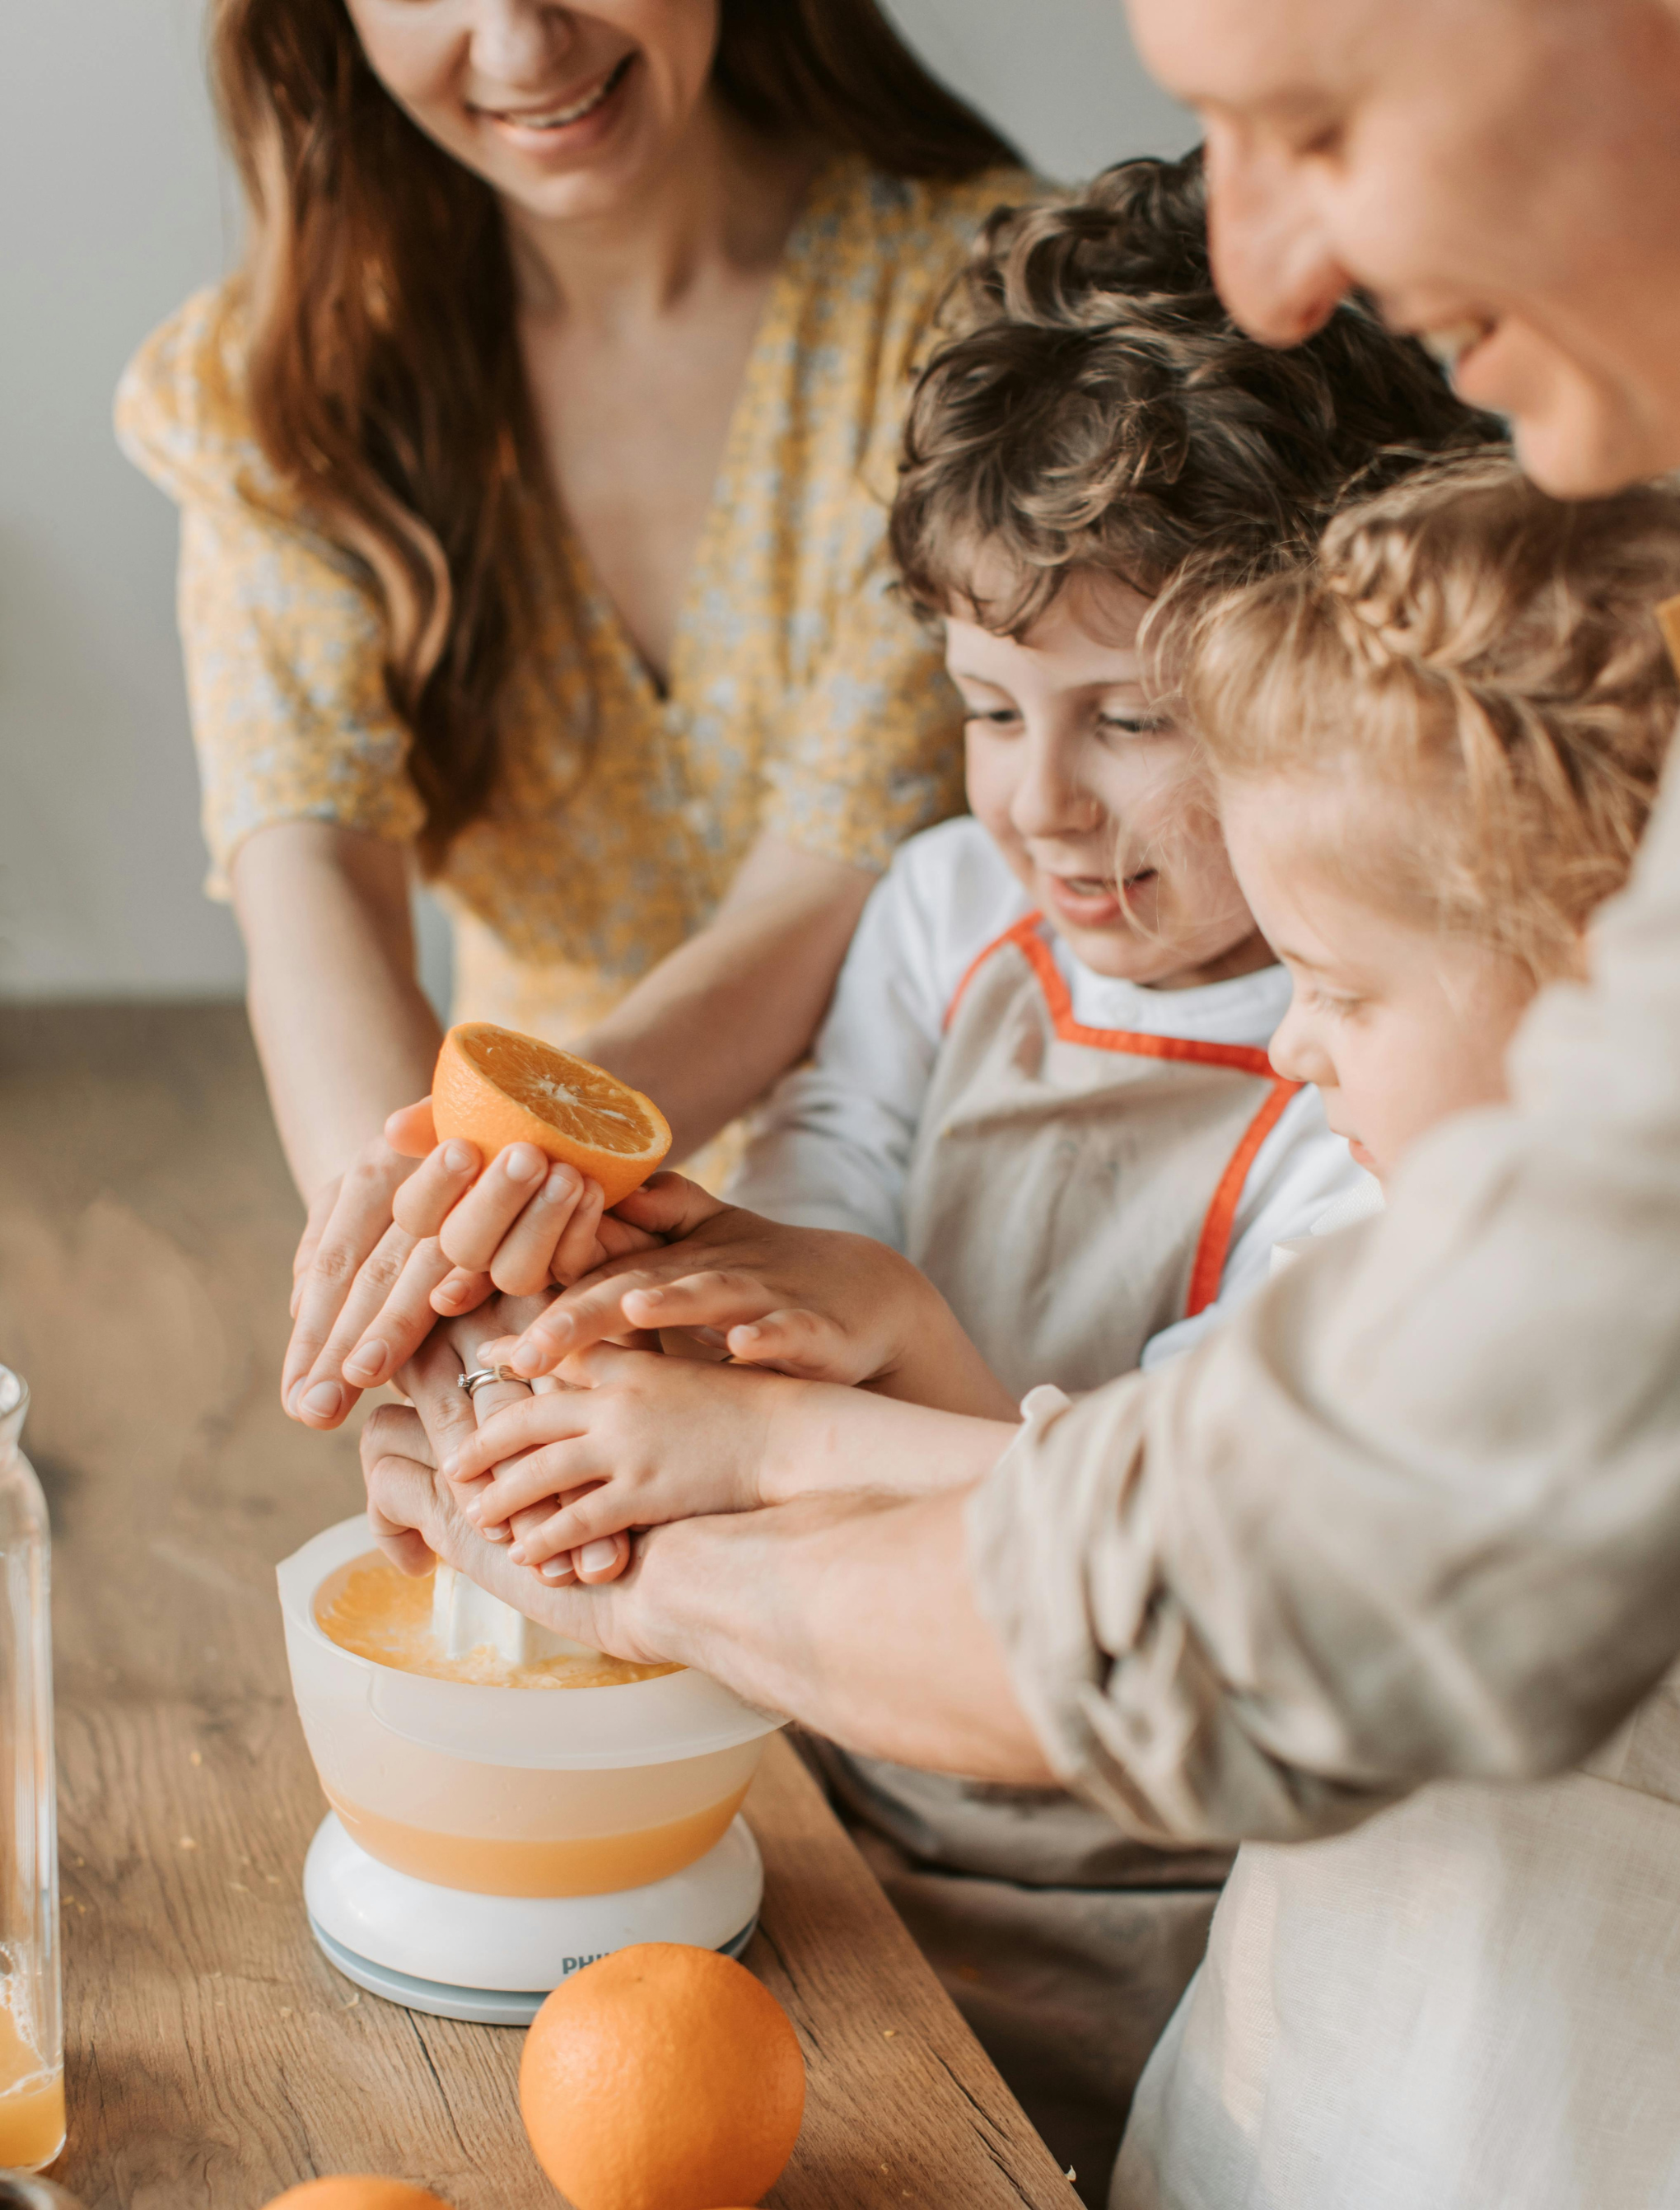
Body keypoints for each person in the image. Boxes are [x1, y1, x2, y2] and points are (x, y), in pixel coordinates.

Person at [364, 0, 1680, 2071]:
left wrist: (673, 1532)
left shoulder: (1513, 997)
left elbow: (1273, 1583)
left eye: (1311, 120)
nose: (1280, 261)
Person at [425, 159, 1488, 2203]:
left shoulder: (1371, 1069)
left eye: (1129, 720)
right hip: (817, 1782)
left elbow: (1176, 1513)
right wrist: (643, 1312)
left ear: (1325, 685)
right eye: (987, 707)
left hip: (1140, 1910)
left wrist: (870, 1344)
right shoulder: (940, 915)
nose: (1038, 800)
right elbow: (820, 1195)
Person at [1103, 452, 1680, 2210]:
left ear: (1597, 988)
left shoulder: (1672, 1379)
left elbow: (1237, 1572)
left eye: (1335, 985)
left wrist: (766, 1478)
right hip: (1262, 2207)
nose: (1290, 1051)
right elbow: (1155, 1464)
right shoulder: (1397, 1240)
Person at [116, 0, 1036, 1436]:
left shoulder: (973, 304)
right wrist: (432, 1302)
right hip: (514, 1262)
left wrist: (483, 1199)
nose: (520, 46)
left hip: (926, 1235)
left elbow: (814, 902)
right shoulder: (275, 385)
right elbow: (308, 889)